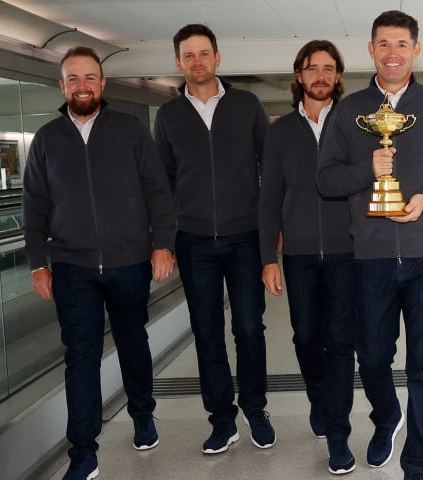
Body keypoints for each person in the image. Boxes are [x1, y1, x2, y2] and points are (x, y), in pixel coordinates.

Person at [317, 11, 423, 480]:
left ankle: (419, 463)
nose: (393, 53)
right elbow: (326, 180)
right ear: (370, 49)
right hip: (369, 256)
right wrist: (367, 171)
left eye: (402, 44)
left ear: (416, 50)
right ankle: (387, 416)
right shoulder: (348, 112)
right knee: (370, 354)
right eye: (383, 44)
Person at [22, 46, 176, 480]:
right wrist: (38, 263)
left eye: (90, 78)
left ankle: (143, 414)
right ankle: (83, 453)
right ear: (62, 85)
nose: (82, 86)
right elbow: (33, 205)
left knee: (133, 343)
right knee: (81, 358)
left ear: (102, 84)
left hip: (129, 262)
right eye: (74, 78)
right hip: (73, 267)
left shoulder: (129, 130)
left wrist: (163, 243)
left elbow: (158, 192)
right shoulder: (48, 139)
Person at [154, 24, 274, 454]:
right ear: (178, 62)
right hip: (193, 241)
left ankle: (256, 408)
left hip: (245, 237)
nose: (197, 61)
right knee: (206, 333)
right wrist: (164, 241)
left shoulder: (246, 104)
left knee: (248, 328)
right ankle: (222, 420)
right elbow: (162, 184)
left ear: (218, 58)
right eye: (189, 55)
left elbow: (271, 168)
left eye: (204, 53)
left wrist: (270, 231)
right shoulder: (168, 116)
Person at [258, 39, 356, 475]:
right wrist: (267, 257)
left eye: (329, 68)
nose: (321, 75)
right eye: (312, 68)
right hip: (297, 253)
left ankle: (338, 433)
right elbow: (269, 198)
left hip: (347, 250)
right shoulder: (278, 132)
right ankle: (318, 395)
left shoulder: (356, 122)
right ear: (299, 76)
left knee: (340, 341)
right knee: (304, 336)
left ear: (337, 77)